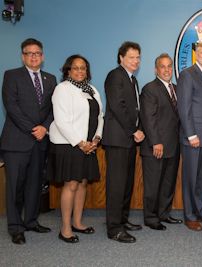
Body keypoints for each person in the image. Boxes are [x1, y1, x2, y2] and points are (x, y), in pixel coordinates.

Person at [0, 38, 56, 244]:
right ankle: (15, 227)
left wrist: (45, 127)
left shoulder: (50, 79)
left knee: (35, 184)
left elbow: (53, 109)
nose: (34, 56)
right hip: (17, 142)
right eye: (29, 53)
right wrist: (33, 129)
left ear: (43, 56)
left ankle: (31, 221)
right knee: (15, 186)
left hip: (40, 142)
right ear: (23, 56)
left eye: (37, 53)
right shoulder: (11, 75)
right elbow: (11, 107)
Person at [47, 55, 103, 243]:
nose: (80, 71)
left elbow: (100, 116)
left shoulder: (92, 90)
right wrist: (80, 143)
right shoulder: (62, 89)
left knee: (83, 183)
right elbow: (61, 121)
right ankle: (65, 228)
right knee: (71, 184)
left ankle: (78, 222)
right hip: (68, 144)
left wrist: (96, 138)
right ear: (68, 70)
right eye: (76, 68)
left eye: (83, 68)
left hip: (89, 144)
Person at [103, 41, 145, 243]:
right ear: (121, 58)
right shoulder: (115, 76)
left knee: (127, 184)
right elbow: (118, 107)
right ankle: (114, 228)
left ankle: (123, 220)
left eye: (138, 57)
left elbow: (134, 109)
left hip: (128, 140)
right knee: (116, 186)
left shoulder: (132, 80)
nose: (136, 60)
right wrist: (134, 130)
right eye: (131, 57)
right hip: (118, 139)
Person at [177, 41, 202, 231]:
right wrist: (191, 134)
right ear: (196, 54)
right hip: (193, 137)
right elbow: (183, 108)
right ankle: (190, 216)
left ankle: (201, 212)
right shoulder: (187, 75)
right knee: (191, 178)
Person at [140, 53, 182, 230]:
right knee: (153, 184)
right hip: (156, 146)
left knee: (167, 183)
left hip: (173, 145)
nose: (166, 70)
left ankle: (164, 214)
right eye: (162, 66)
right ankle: (151, 217)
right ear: (156, 69)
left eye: (169, 66)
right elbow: (148, 117)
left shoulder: (176, 88)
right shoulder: (150, 88)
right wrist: (156, 142)